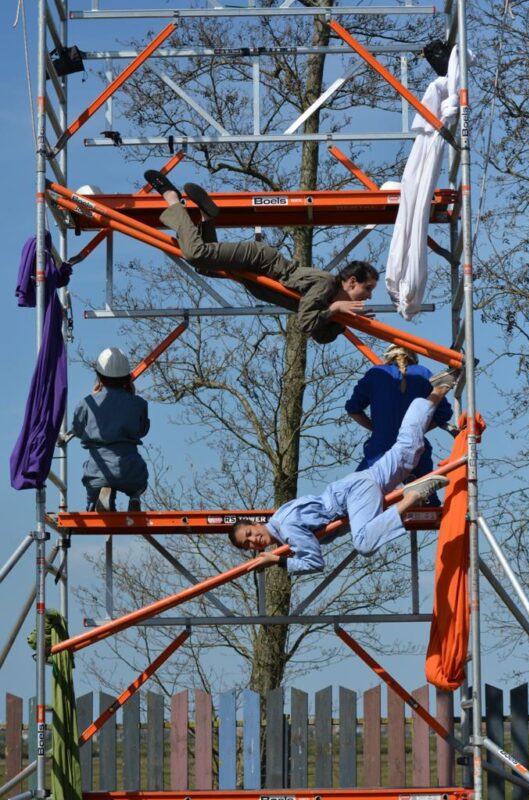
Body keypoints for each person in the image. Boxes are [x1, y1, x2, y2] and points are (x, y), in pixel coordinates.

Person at [228, 382, 454, 574]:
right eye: (248, 545)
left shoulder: (287, 529)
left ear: (256, 524)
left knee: (364, 543)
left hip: (351, 496)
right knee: (408, 449)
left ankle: (411, 497)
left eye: (249, 534)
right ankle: (435, 392)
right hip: (355, 485)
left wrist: (276, 561)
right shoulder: (280, 516)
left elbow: (314, 563)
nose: (253, 541)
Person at [144, 170, 379, 344]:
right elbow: (305, 321)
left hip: (254, 273)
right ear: (351, 282)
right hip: (257, 260)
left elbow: (318, 335)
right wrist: (336, 309)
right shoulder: (326, 284)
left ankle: (207, 216)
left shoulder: (329, 302)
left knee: (205, 267)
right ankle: (172, 197)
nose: (368, 296)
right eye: (367, 288)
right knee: (196, 254)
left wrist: (341, 322)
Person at [345, 344, 453, 505]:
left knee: (352, 497)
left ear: (388, 356)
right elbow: (444, 413)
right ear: (413, 358)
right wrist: (419, 428)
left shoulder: (376, 374)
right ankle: (417, 493)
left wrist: (376, 428)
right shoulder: (423, 373)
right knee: (428, 501)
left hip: (380, 451)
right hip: (416, 454)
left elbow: (353, 409)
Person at [72, 347, 150, 512]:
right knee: (140, 483)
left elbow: (78, 430)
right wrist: (132, 397)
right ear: (127, 378)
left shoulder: (87, 404)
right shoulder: (139, 404)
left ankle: (98, 499)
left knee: (93, 496)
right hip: (131, 470)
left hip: (98, 470)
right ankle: (134, 497)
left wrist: (93, 399)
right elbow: (142, 430)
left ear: (99, 377)